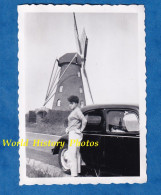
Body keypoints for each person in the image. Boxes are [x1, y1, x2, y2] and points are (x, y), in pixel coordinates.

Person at [66, 95, 87, 177]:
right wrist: (68, 128)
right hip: (74, 133)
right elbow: (73, 123)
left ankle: (73, 174)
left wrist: (81, 130)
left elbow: (84, 120)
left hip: (74, 134)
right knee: (77, 154)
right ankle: (77, 172)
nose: (69, 105)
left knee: (72, 154)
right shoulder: (75, 111)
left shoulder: (77, 111)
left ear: (75, 103)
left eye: (71, 103)